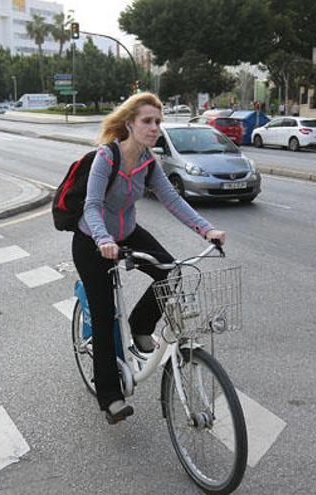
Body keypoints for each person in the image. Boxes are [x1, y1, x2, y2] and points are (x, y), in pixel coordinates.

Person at [72, 92, 226, 424]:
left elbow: (172, 199)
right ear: (129, 124)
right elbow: (92, 206)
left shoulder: (147, 162)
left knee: (171, 271)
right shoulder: (107, 157)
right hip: (91, 241)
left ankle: (141, 325)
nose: (155, 127)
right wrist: (102, 239)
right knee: (103, 317)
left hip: (126, 234)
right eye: (147, 121)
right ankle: (110, 397)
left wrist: (206, 229)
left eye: (158, 121)